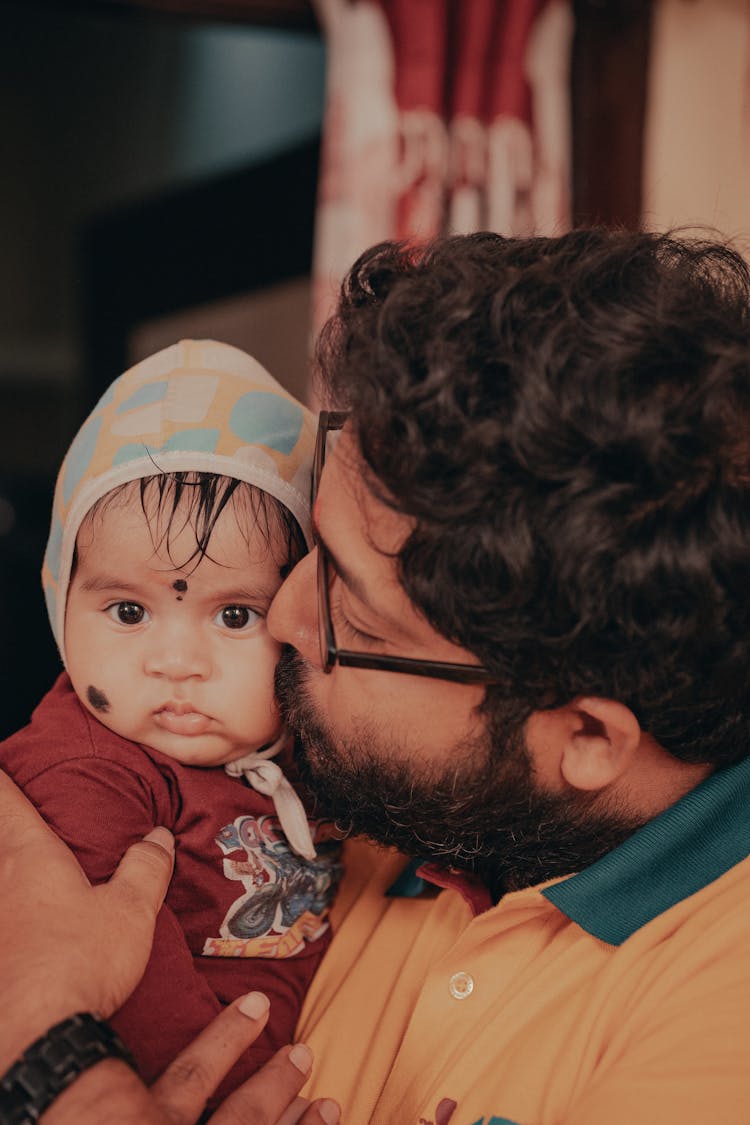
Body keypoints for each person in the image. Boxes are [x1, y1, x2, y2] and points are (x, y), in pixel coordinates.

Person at [2, 227, 750, 1125]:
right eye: (311, 552)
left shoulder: (719, 1005)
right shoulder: (383, 802)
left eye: (350, 612)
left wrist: (50, 1051)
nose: (281, 619)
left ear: (585, 735)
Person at [0, 340, 342, 1105]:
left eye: (233, 613)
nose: (176, 660)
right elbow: (124, 978)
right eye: (129, 611)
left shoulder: (307, 742)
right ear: (61, 601)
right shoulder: (83, 767)